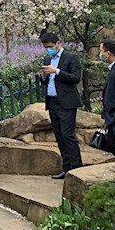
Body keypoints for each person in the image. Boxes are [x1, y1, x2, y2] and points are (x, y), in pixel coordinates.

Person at [39, 32, 84, 179]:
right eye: (46, 47)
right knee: (59, 136)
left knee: (68, 135)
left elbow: (75, 78)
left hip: (67, 103)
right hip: (53, 102)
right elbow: (47, 82)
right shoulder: (48, 59)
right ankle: (66, 168)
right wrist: (44, 76)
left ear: (58, 43)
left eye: (50, 47)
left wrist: (57, 71)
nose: (48, 50)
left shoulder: (71, 58)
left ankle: (76, 168)